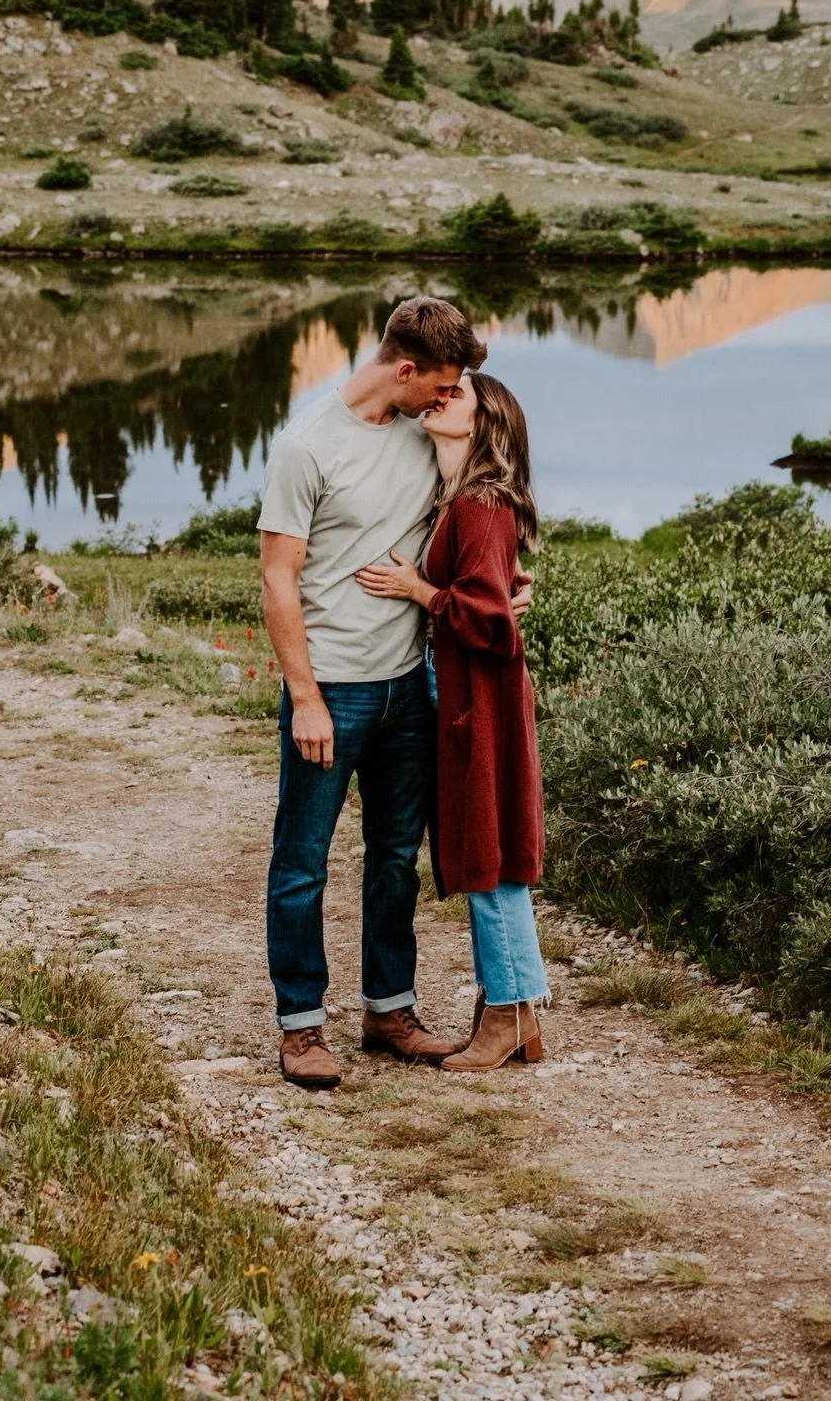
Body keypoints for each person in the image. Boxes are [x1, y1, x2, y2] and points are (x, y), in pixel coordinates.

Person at [259, 296, 517, 1089]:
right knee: (302, 861)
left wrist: (501, 587)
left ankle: (388, 1010)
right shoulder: (306, 446)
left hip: (410, 686)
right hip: (332, 690)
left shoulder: (427, 433)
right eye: (440, 385)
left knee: (396, 859)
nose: (448, 399)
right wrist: (304, 696)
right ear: (405, 369)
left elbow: (479, 508)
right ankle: (301, 1025)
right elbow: (277, 578)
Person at [356, 371, 548, 1071]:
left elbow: (490, 621)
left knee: (486, 850)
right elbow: (494, 592)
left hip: (478, 690)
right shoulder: (462, 499)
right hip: (470, 686)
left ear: (484, 422)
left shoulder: (479, 502)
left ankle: (508, 1013)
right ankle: (516, 1011)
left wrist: (418, 590)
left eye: (456, 395)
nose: (440, 398)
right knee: (484, 843)